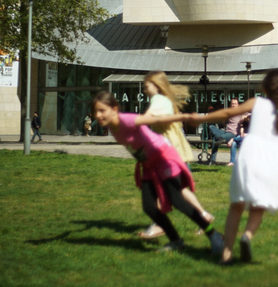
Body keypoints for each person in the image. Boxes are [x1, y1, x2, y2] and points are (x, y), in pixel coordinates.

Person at [188, 70, 278, 264]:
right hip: (273, 163)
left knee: (236, 207)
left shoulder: (256, 103)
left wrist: (201, 119)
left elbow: (227, 113)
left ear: (264, 88)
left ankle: (226, 253)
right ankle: (247, 237)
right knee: (258, 208)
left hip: (250, 157)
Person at [91, 91, 224, 254]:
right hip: (148, 165)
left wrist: (187, 117)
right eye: (95, 111)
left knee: (178, 200)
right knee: (149, 207)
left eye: (102, 110)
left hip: (164, 157)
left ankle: (214, 235)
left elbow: (157, 120)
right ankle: (176, 240)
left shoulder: (128, 120)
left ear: (114, 109)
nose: (98, 115)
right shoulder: (112, 126)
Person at [138, 71, 214, 239]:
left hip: (168, 153)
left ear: (156, 86)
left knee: (166, 187)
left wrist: (129, 122)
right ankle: (203, 215)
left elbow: (146, 119)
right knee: (176, 189)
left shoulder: (159, 100)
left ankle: (161, 224)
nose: (145, 89)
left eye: (147, 85)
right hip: (170, 152)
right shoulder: (164, 101)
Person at [208, 98, 246, 165]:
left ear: (238, 105)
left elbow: (249, 114)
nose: (233, 105)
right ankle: (219, 138)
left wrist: (244, 117)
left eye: (235, 104)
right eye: (232, 104)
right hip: (226, 132)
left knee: (215, 138)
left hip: (233, 134)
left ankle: (212, 160)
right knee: (211, 126)